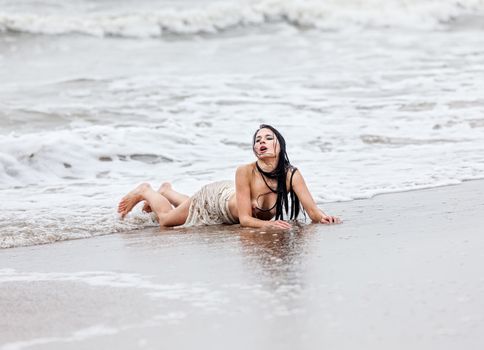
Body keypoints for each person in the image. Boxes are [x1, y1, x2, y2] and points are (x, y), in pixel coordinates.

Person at [117, 124, 341, 229]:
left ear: (280, 145)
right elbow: (245, 220)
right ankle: (146, 190)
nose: (261, 142)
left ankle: (166, 191)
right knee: (166, 221)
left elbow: (312, 211)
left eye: (268, 138)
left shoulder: (292, 175)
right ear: (254, 149)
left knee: (185, 209)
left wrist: (323, 217)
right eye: (258, 140)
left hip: (229, 202)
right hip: (215, 201)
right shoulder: (244, 171)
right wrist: (269, 226)